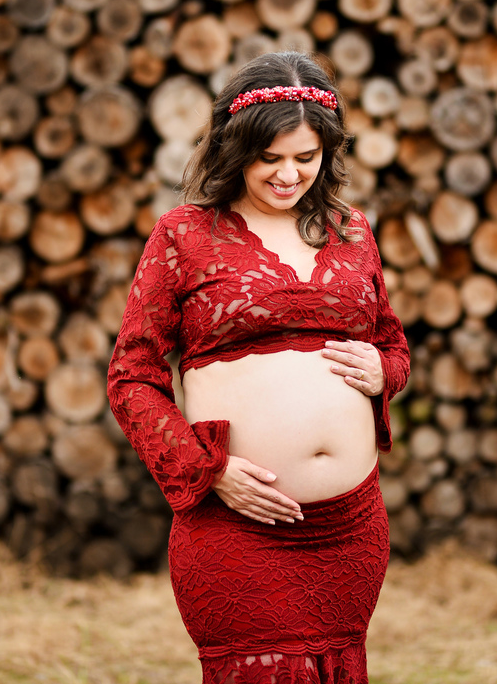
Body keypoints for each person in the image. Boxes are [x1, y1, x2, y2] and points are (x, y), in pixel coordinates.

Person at [107, 50, 410, 683]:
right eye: (269, 157)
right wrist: (205, 469)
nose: (287, 175)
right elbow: (132, 373)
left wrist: (385, 372)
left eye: (306, 157)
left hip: (350, 528)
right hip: (237, 525)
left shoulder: (351, 231)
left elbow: (392, 344)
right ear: (234, 146)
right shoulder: (184, 236)